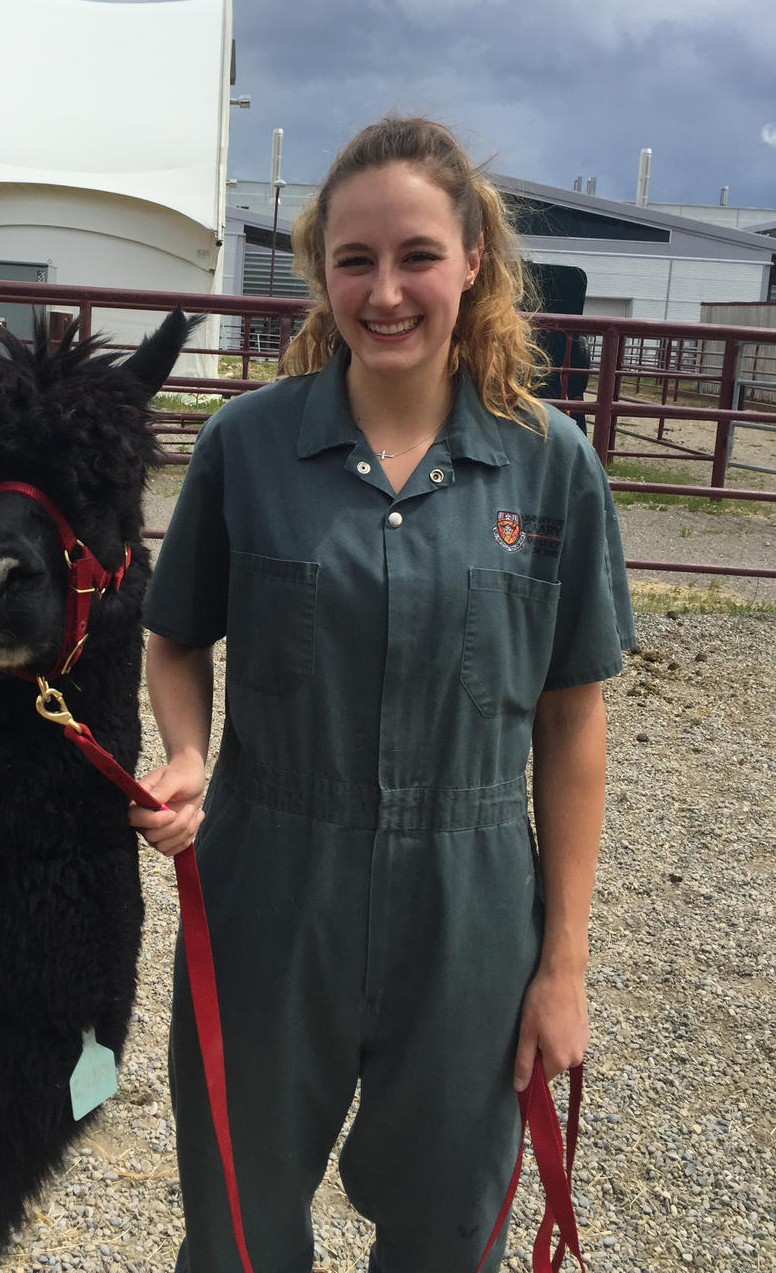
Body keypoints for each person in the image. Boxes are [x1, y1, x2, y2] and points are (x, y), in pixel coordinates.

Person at [130, 116, 634, 1273]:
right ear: (321, 272)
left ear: (474, 264)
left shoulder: (552, 462)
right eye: (355, 259)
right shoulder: (246, 447)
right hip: (269, 887)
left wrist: (562, 967)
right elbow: (172, 641)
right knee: (240, 1231)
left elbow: (571, 722)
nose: (387, 289)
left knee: (451, 1226)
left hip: (470, 907)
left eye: (417, 255)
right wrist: (191, 756)